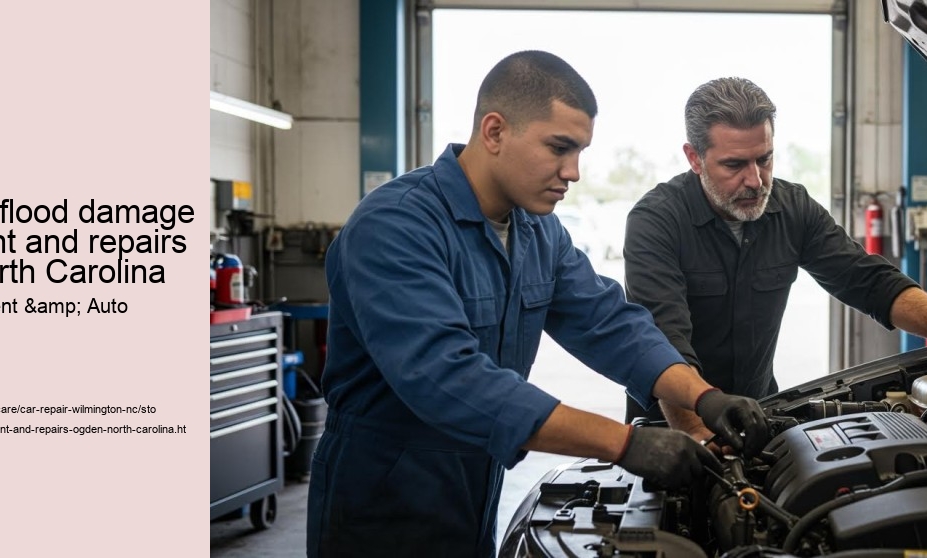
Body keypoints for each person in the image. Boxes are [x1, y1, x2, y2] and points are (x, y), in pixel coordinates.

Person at [307, 52, 766, 557]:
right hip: (381, 506)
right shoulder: (396, 226)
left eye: (580, 151)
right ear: (496, 131)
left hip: (474, 491)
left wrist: (704, 397)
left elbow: (608, 322)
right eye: (559, 148)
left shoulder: (536, 230)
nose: (573, 172)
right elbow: (446, 378)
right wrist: (624, 443)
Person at [624, 77, 927, 424]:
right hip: (669, 423)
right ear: (695, 158)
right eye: (734, 165)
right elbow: (664, 343)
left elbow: (868, 279)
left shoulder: (793, 208)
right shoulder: (656, 221)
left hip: (756, 409)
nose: (755, 180)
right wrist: (697, 436)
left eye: (765, 160)